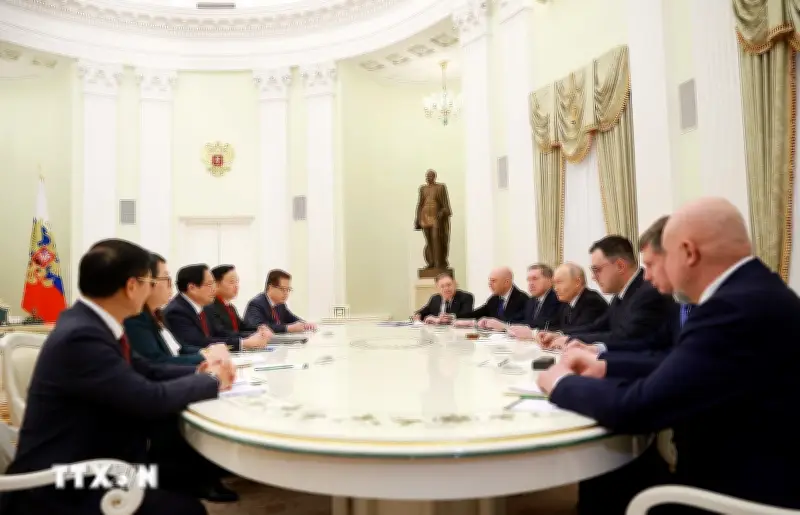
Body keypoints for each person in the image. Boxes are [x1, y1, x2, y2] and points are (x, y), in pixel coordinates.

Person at [538, 198, 800, 512]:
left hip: (737, 493)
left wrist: (561, 382)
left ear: (688, 252)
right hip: (743, 466)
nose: (649, 276)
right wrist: (604, 367)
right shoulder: (753, 291)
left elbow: (636, 408)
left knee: (619, 480)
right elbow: (681, 362)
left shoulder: (732, 308)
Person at [0, 239, 236, 515]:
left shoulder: (91, 323)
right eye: (150, 282)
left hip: (94, 458)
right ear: (132, 286)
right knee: (188, 509)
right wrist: (212, 380)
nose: (152, 289)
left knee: (176, 475)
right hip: (64, 481)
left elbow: (147, 369)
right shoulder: (82, 336)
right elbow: (148, 399)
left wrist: (200, 370)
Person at [537, 235, 674, 352]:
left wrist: (569, 339)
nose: (593, 277)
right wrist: (560, 335)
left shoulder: (648, 292)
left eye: (597, 270)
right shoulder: (620, 295)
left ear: (620, 266)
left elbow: (626, 336)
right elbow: (598, 327)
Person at [163, 264, 271, 350]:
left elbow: (220, 333)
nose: (214, 289)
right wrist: (243, 343)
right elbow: (198, 342)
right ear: (192, 288)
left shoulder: (204, 307)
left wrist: (255, 335)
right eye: (209, 284)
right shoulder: (177, 311)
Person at [124, 253, 206, 365]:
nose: (170, 285)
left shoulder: (157, 313)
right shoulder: (135, 319)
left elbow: (178, 348)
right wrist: (205, 358)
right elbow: (157, 362)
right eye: (166, 278)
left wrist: (206, 353)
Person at [508, 262, 607, 339]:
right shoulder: (567, 303)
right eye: (554, 283)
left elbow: (583, 331)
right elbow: (560, 328)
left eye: (559, 282)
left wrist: (535, 334)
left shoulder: (592, 301)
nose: (555, 288)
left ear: (577, 282)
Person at [244, 269, 316, 333]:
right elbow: (257, 326)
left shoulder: (281, 305)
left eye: (288, 289)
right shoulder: (256, 304)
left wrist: (305, 324)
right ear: (270, 288)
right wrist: (287, 328)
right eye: (282, 289)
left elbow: (292, 319)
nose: (286, 293)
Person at [453, 267, 528, 328]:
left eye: (493, 281)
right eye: (489, 281)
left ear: (506, 282)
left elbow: (520, 325)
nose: (489, 284)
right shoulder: (494, 299)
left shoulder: (523, 300)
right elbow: (476, 314)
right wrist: (453, 317)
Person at [207, 264, 264, 336]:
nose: (237, 286)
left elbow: (243, 327)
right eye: (232, 282)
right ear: (216, 284)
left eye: (237, 282)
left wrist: (260, 329)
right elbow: (222, 333)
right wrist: (251, 336)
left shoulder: (231, 307)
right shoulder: (210, 307)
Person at [414, 169, 452, 270]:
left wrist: (442, 212)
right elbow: (420, 204)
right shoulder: (423, 189)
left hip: (436, 217)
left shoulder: (440, 187)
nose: (428, 178)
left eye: (430, 176)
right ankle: (431, 262)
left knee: (436, 238)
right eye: (427, 176)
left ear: (434, 177)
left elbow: (445, 204)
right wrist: (417, 218)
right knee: (429, 240)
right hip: (424, 216)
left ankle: (438, 262)